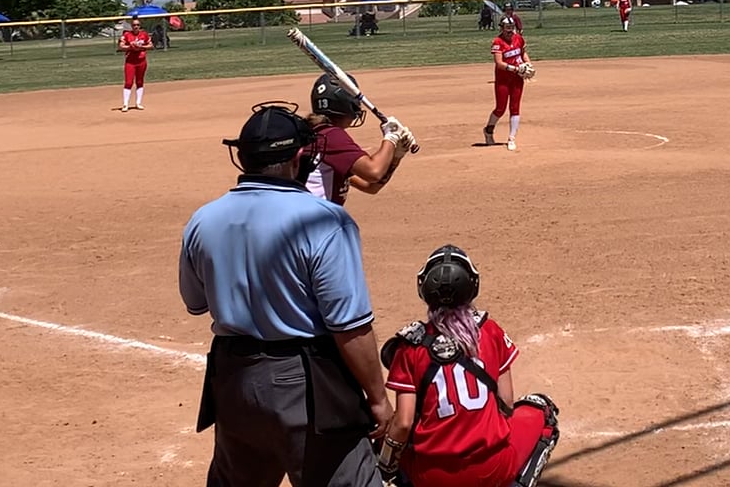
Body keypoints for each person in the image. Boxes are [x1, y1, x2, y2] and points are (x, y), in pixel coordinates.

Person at [179, 102, 390, 487]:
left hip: (233, 381)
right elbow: (349, 326)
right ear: (299, 157)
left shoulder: (202, 220)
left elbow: (196, 302)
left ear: (243, 157)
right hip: (305, 383)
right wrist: (377, 398)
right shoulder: (325, 220)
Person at [376, 246, 560, 487]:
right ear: (472, 286)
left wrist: (385, 469)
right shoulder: (490, 331)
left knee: (385, 437)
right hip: (491, 470)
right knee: (542, 409)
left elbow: (403, 423)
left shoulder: (409, 346)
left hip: (432, 477)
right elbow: (506, 404)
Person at [303, 73, 415, 206]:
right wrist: (391, 137)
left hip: (306, 214)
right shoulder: (331, 136)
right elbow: (374, 172)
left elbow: (370, 186)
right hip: (315, 215)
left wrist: (396, 155)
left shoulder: (315, 133)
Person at [484, 15, 529, 152]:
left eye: (511, 28)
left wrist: (528, 64)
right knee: (500, 108)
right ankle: (489, 130)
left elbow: (523, 54)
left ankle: (511, 138)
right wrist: (515, 68)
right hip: (503, 80)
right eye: (507, 28)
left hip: (517, 79)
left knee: (515, 107)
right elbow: (499, 63)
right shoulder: (498, 42)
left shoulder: (519, 39)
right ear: (502, 28)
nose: (510, 31)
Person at [119, 18, 153, 111]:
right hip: (130, 62)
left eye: (137, 25)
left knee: (139, 81)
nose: (136, 27)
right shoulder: (127, 35)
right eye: (134, 25)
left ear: (140, 26)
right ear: (131, 26)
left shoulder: (144, 34)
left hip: (141, 61)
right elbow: (121, 46)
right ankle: (125, 104)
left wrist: (141, 47)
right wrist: (131, 47)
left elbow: (151, 45)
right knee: (128, 82)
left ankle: (138, 103)